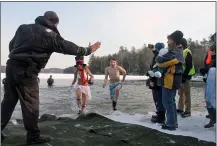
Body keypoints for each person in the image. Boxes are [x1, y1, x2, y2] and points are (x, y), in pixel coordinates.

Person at [1, 11, 101, 145]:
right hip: (27, 72)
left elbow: (11, 45)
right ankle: (33, 138)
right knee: (31, 106)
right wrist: (88, 50)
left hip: (11, 69)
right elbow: (70, 48)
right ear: (54, 22)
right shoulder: (50, 35)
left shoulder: (22, 28)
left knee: (8, 102)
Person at [156, 30, 184, 131]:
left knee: (167, 102)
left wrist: (159, 56)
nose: (167, 42)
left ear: (174, 41)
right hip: (172, 79)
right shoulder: (178, 51)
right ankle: (173, 123)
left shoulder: (175, 52)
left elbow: (159, 60)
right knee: (170, 102)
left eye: (169, 40)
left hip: (170, 80)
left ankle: (171, 124)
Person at [146, 43, 166, 124]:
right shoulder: (161, 55)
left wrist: (152, 80)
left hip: (157, 81)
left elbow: (156, 69)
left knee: (158, 98)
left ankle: (161, 117)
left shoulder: (159, 57)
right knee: (158, 98)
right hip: (158, 80)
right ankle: (160, 113)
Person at [177, 38, 196, 118]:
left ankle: (188, 111)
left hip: (186, 77)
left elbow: (189, 65)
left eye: (178, 44)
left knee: (187, 94)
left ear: (181, 44)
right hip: (181, 76)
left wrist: (184, 76)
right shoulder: (181, 52)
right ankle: (180, 108)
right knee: (180, 93)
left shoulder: (187, 51)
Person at [204, 32, 216, 128]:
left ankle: (213, 117)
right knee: (208, 96)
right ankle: (212, 118)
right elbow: (207, 61)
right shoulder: (212, 48)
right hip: (211, 71)